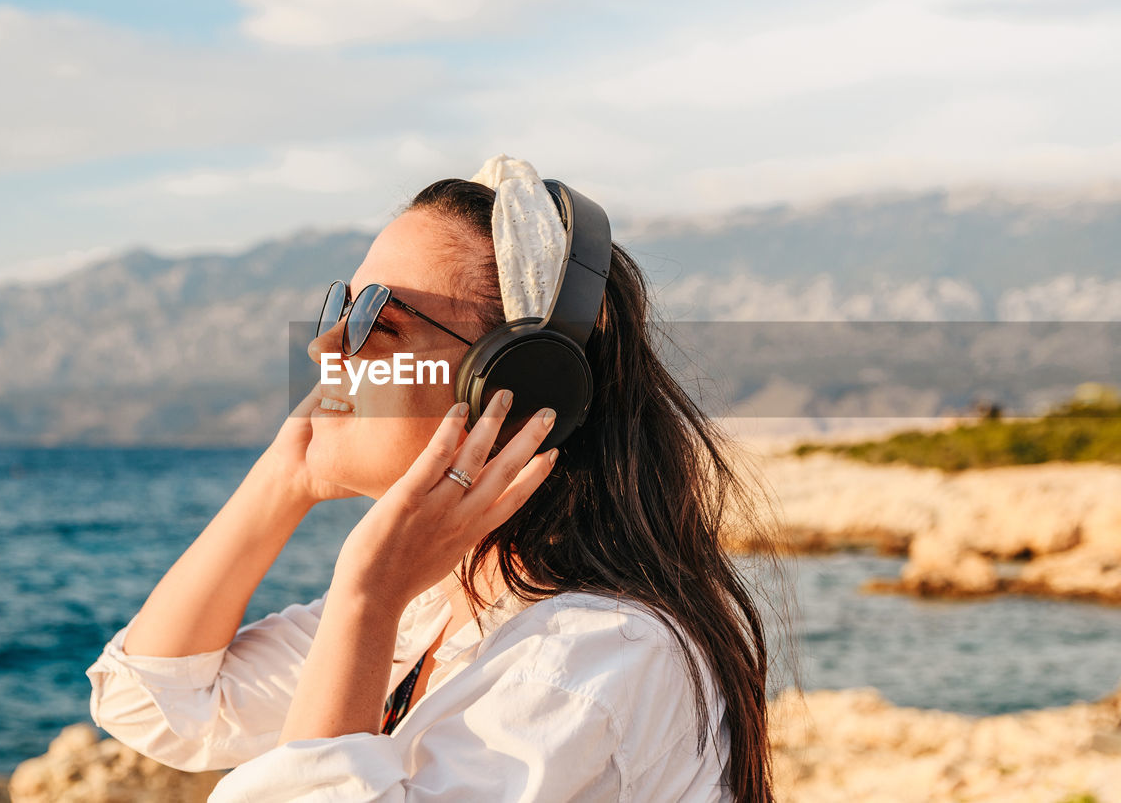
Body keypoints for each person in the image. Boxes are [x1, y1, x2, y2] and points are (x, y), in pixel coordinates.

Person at [86, 156, 789, 802]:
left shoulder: (592, 661)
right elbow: (152, 703)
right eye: (340, 308)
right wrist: (286, 476)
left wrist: (367, 592)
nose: (323, 345)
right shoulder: (444, 605)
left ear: (510, 384)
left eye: (376, 324)